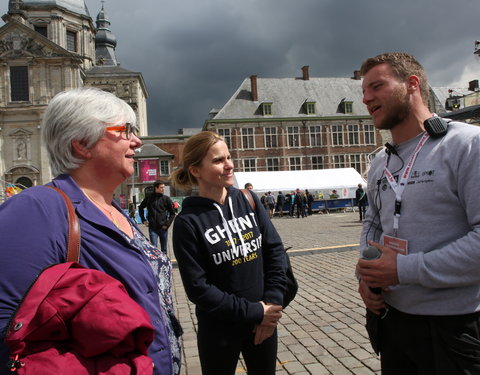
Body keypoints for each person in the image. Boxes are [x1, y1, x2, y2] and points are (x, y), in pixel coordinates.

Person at [0, 88, 182, 375]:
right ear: (82, 144)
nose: (136, 140)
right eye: (125, 130)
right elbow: (8, 324)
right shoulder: (38, 209)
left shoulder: (111, 208)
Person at [356, 52, 480, 374]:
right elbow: (372, 222)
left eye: (377, 86)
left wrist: (403, 269)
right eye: (364, 91)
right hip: (393, 322)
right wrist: (368, 274)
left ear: (412, 84)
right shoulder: (380, 162)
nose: (367, 98)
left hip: (454, 327)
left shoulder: (467, 145)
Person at [171, 131, 287, 375]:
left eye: (229, 157)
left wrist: (272, 306)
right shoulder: (188, 223)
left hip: (263, 322)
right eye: (218, 160)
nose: (229, 165)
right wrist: (255, 312)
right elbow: (198, 289)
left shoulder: (249, 200)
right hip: (219, 330)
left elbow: (275, 252)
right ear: (195, 171)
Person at [139, 181, 176, 253]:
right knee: (154, 249)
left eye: (163, 187)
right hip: (152, 228)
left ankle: (165, 263)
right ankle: (156, 264)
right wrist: (143, 220)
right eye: (161, 187)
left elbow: (172, 214)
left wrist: (167, 225)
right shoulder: (149, 198)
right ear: (156, 188)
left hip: (163, 228)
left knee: (164, 250)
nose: (163, 189)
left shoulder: (166, 199)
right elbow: (140, 208)